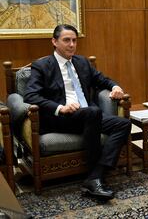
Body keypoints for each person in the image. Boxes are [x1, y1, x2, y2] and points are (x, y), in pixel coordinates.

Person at [24, 24, 131, 200]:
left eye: (74, 40)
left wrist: (115, 86)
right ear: (54, 41)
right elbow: (30, 95)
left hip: (88, 117)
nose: (72, 44)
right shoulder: (42, 65)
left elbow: (102, 80)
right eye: (67, 40)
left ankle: (96, 175)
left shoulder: (82, 62)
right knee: (94, 112)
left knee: (124, 124)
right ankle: (95, 177)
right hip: (61, 118)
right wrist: (60, 107)